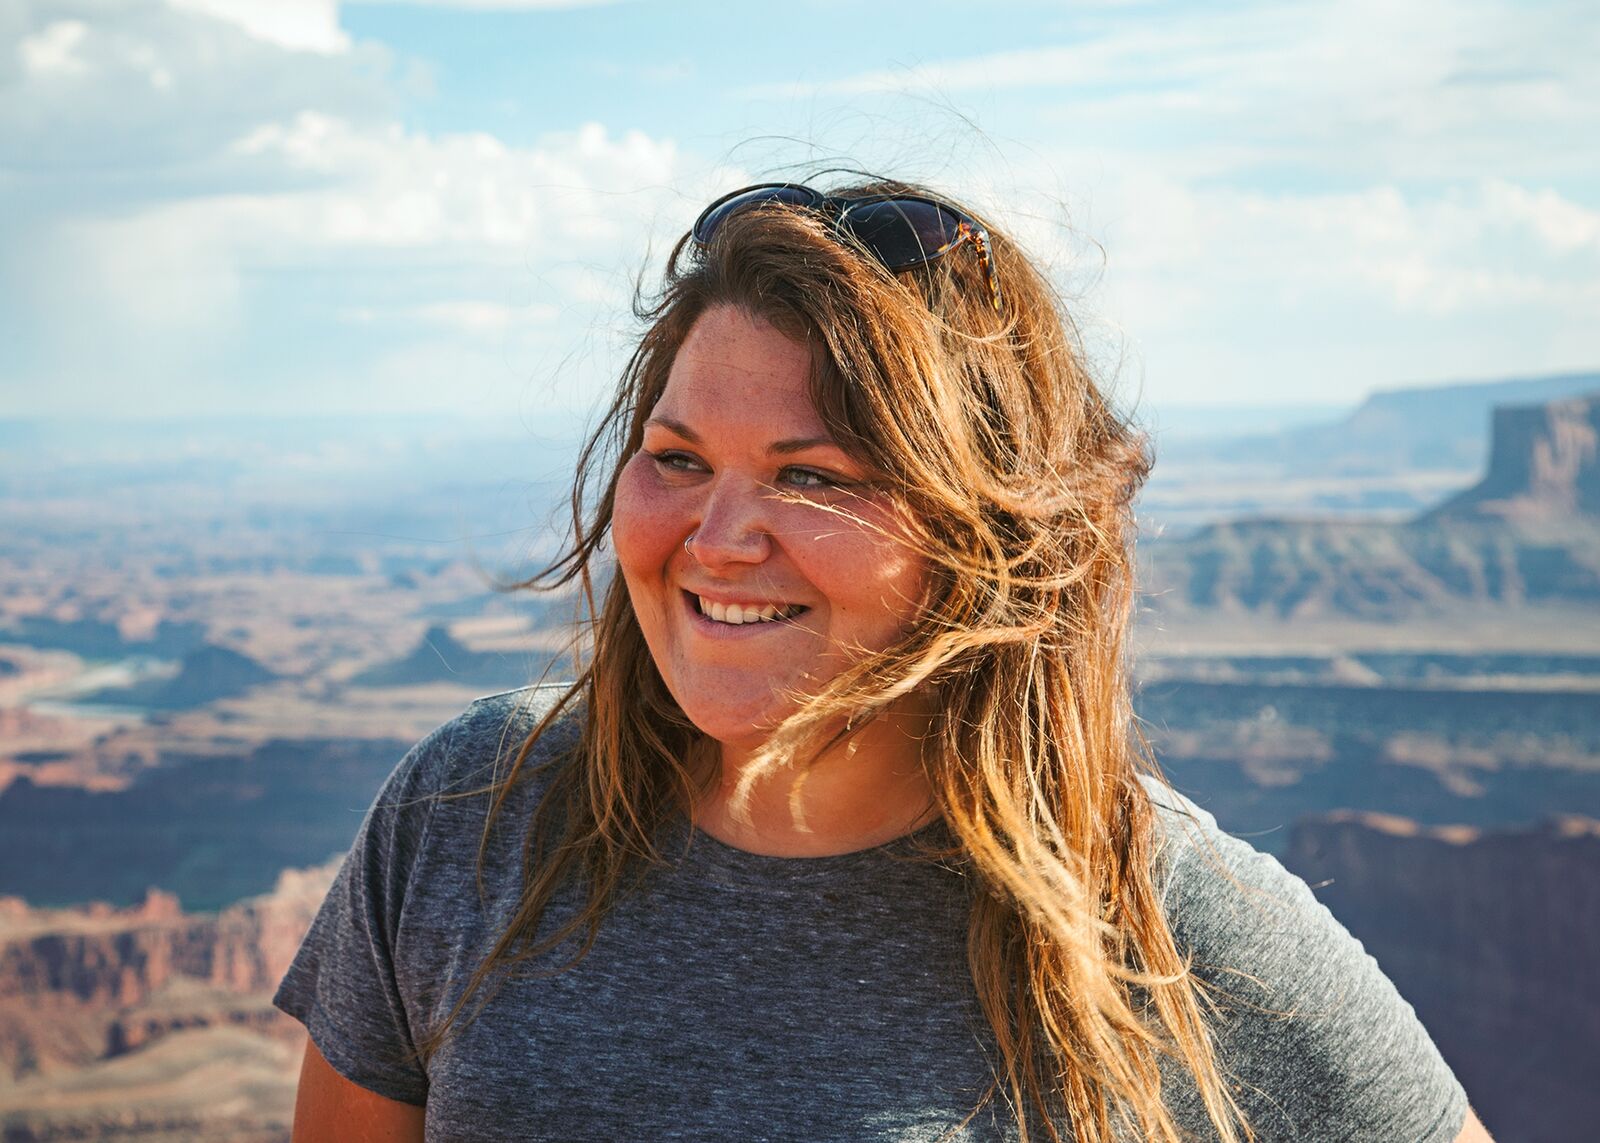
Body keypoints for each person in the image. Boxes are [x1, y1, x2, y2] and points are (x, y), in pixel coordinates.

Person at [275, 179, 1493, 1142]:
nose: (715, 540)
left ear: (986, 537)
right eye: (680, 459)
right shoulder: (472, 813)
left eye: (813, 477)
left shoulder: (1166, 922)